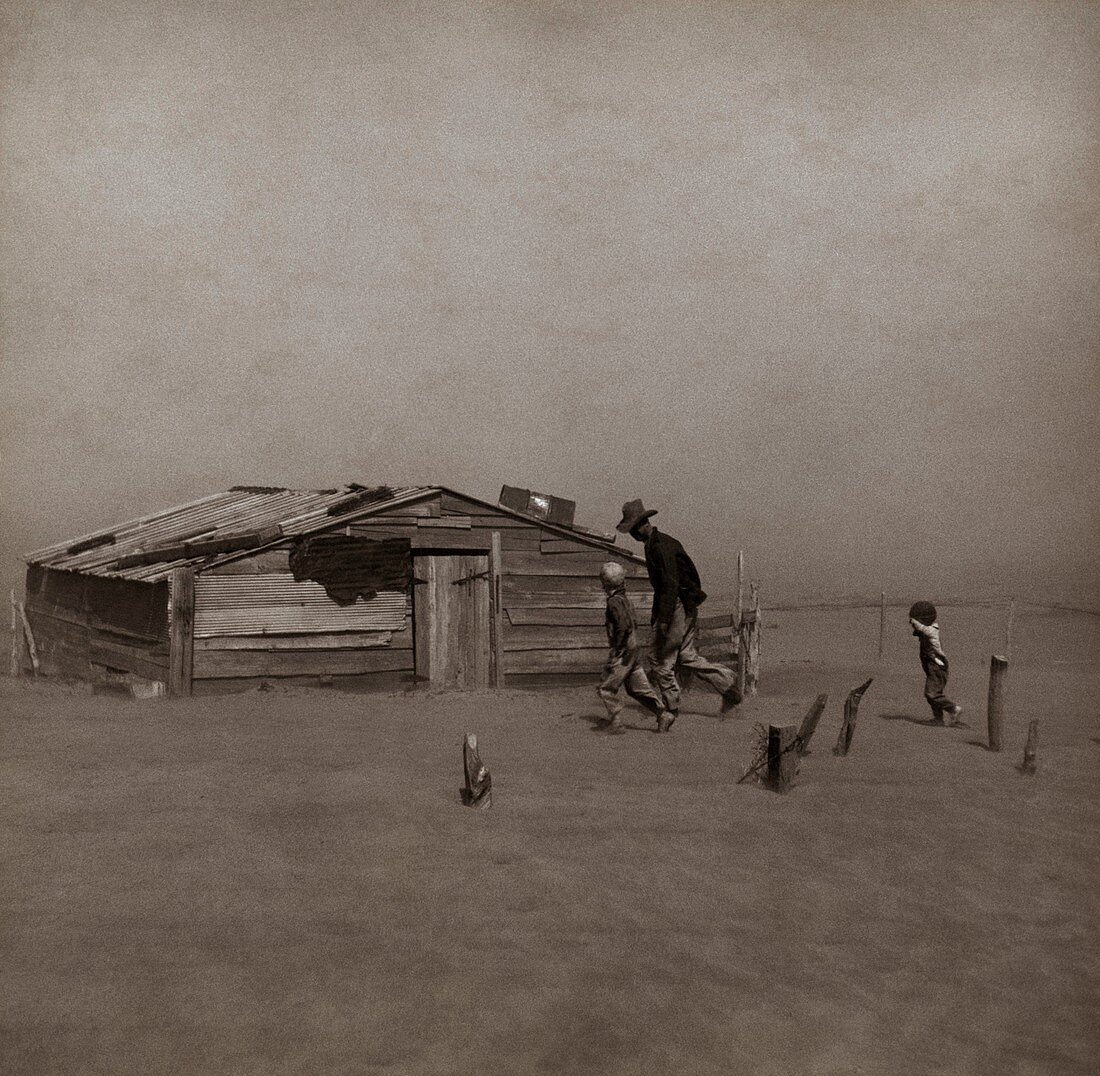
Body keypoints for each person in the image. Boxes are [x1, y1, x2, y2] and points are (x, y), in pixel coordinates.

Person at [615, 499, 742, 721]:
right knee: (686, 656)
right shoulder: (656, 543)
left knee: (659, 659)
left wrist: (663, 622)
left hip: (677, 607)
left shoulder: (660, 547)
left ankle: (671, 709)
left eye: (634, 529)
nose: (633, 535)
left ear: (644, 524)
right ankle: (729, 687)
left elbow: (670, 585)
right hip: (683, 605)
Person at [596, 561, 675, 733]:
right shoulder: (626, 600)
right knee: (637, 688)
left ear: (605, 582)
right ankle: (663, 714)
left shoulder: (613, 602)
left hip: (624, 651)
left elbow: (623, 626)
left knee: (605, 688)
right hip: (633, 649)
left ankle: (616, 722)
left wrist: (617, 649)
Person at [908, 600, 962, 724]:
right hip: (931, 667)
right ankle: (938, 719)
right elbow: (919, 630)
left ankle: (953, 709)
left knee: (931, 694)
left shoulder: (932, 631)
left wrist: (914, 620)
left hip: (937, 667)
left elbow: (923, 629)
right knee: (934, 694)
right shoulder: (926, 630)